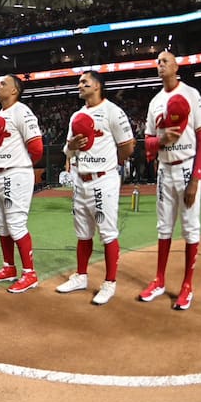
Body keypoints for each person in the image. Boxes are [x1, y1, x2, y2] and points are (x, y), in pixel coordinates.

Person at [57, 71, 136, 305]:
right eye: (79, 82)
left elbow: (127, 147)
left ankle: (109, 283)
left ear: (98, 86)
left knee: (107, 232)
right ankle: (81, 276)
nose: (79, 85)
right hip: (80, 178)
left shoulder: (113, 111)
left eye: (84, 82)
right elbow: (69, 150)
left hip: (103, 179)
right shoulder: (77, 116)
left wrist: (112, 166)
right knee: (83, 232)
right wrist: (69, 147)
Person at [140, 50, 201, 311]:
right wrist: (161, 141)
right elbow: (147, 142)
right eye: (157, 62)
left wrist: (196, 178)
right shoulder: (155, 102)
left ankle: (187, 285)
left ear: (176, 66)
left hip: (186, 168)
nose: (160, 65)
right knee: (163, 227)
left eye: (165, 61)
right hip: (164, 170)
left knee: (190, 228)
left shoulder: (191, 94)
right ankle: (159, 280)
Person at [0, 74, 43, 294]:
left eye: (3, 84)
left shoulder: (22, 111)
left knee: (16, 224)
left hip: (14, 173)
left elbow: (36, 148)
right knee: (2, 225)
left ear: (15, 90)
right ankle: (9, 267)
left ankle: (30, 273)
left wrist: (21, 166)